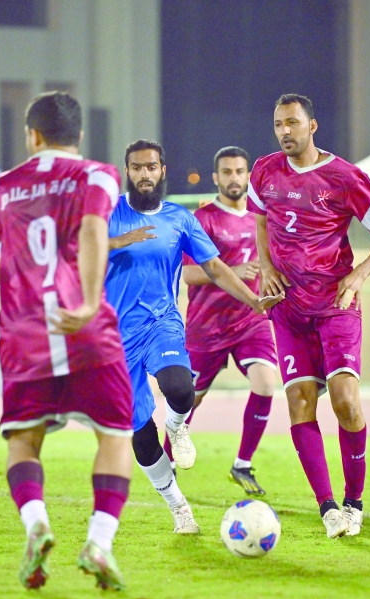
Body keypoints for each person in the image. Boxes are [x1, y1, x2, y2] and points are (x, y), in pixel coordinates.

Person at [0, 91, 133, 591]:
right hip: (87, 334)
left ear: (32, 136)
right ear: (78, 136)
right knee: (114, 436)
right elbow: (92, 230)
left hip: (25, 337)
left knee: (23, 439)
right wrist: (82, 304)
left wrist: (19, 279)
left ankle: (36, 523)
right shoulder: (97, 175)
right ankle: (99, 542)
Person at [105, 139, 281, 534]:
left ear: (162, 170)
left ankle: (178, 425)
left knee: (180, 390)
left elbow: (215, 268)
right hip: (114, 340)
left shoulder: (180, 219)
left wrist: (253, 301)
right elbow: (79, 250)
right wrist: (119, 243)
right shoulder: (107, 213)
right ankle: (179, 508)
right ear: (127, 171)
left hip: (161, 324)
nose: (144, 174)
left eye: (151, 167)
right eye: (137, 167)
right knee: (141, 436)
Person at [249, 94, 370, 538]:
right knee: (299, 402)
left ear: (312, 126)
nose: (284, 132)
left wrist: (358, 276)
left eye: (292, 123)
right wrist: (266, 267)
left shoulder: (344, 177)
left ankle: (355, 502)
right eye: (278, 124)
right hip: (288, 309)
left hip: (335, 305)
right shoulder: (264, 170)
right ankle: (328, 508)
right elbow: (260, 219)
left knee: (345, 401)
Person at [172, 146, 278, 496]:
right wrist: (233, 271)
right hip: (207, 326)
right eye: (227, 172)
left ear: (248, 175)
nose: (235, 178)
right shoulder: (202, 220)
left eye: (240, 171)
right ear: (216, 178)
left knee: (265, 383)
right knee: (187, 402)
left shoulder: (260, 218)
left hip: (251, 320)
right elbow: (188, 274)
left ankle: (242, 464)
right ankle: (167, 462)